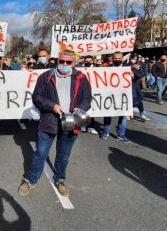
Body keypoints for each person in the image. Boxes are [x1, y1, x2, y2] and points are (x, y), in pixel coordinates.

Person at [18, 50, 92, 197]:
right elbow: (37, 97)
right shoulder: (46, 77)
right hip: (48, 121)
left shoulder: (81, 78)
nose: (64, 64)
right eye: (61, 61)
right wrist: (52, 106)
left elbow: (87, 98)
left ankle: (60, 180)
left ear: (74, 63)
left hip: (70, 122)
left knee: (63, 155)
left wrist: (81, 108)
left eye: (68, 62)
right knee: (40, 154)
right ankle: (30, 180)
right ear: (57, 61)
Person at [100, 51, 130, 143]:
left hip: (123, 96)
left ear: (122, 59)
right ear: (112, 59)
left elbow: (140, 75)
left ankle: (121, 135)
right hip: (109, 95)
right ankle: (106, 132)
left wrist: (133, 74)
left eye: (119, 58)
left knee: (123, 116)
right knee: (108, 114)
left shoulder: (128, 69)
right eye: (115, 58)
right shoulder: (106, 69)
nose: (117, 60)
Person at [129, 53, 150, 121]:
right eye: (132, 59)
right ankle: (129, 113)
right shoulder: (126, 65)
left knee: (139, 100)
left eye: (135, 59)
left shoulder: (138, 66)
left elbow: (142, 74)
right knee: (130, 100)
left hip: (136, 85)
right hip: (128, 86)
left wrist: (135, 70)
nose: (133, 60)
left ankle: (142, 114)